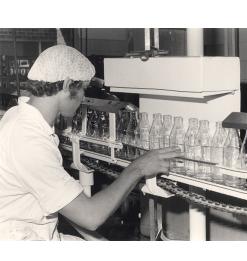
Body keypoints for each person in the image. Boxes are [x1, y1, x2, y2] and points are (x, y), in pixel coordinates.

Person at [0, 44, 181, 240]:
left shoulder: (19, 117)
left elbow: (56, 200)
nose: (83, 98)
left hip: (31, 229)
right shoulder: (30, 141)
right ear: (67, 84)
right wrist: (137, 168)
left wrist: (96, 240)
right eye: (83, 90)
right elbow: (91, 216)